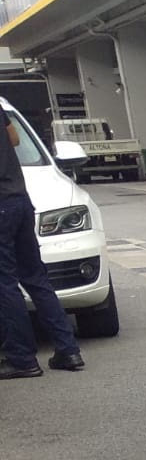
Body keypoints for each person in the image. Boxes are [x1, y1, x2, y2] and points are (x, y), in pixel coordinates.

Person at [0, 116, 83, 379]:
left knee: (4, 284)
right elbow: (14, 139)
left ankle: (22, 359)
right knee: (35, 277)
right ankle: (68, 351)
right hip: (20, 200)